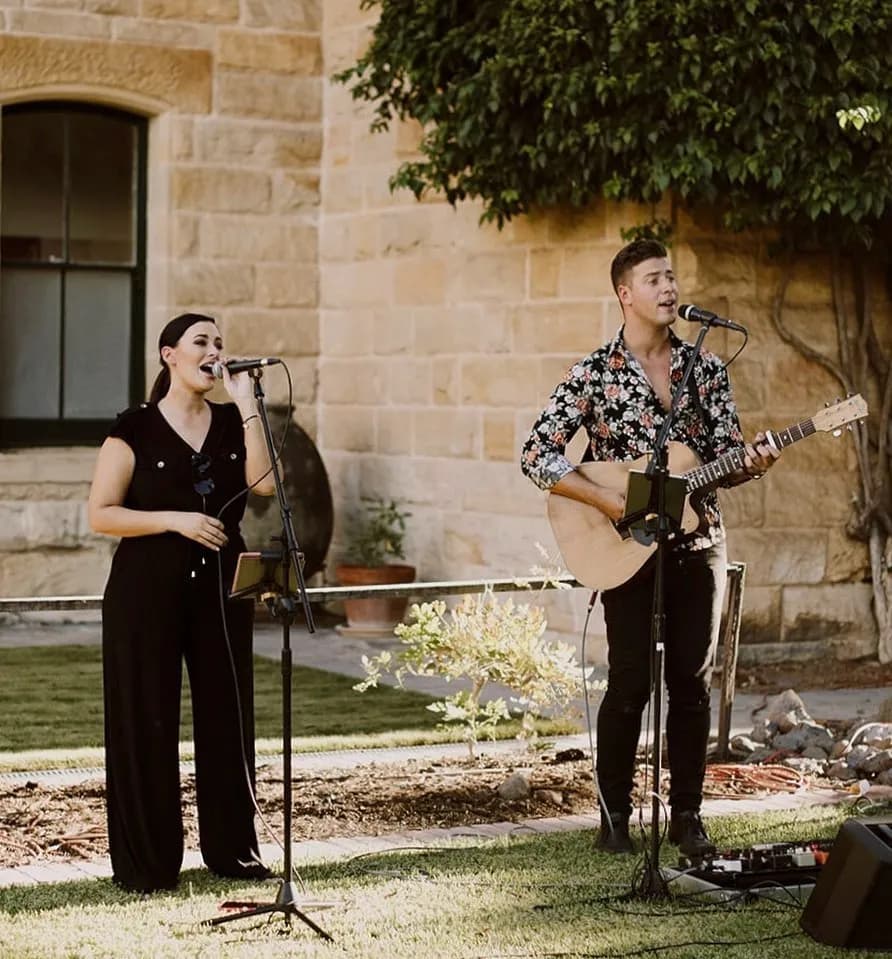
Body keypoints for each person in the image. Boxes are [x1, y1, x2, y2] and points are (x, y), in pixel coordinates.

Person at [521, 239, 779, 855]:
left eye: (672, 276)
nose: (669, 287)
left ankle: (686, 816)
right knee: (631, 680)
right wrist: (608, 501)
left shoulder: (706, 368)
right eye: (654, 278)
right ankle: (614, 819)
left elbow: (724, 457)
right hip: (625, 547)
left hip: (698, 541)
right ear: (625, 293)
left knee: (691, 685)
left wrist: (753, 463)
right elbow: (537, 455)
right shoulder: (593, 373)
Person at [88, 312, 277, 892]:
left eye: (219, 343)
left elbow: (266, 486)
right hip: (145, 591)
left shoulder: (230, 421)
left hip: (222, 589)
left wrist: (248, 405)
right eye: (201, 341)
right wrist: (175, 520)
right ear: (169, 355)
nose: (215, 351)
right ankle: (147, 863)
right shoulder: (135, 428)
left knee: (228, 715)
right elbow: (101, 514)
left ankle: (232, 852)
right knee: (146, 717)